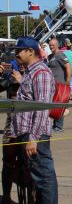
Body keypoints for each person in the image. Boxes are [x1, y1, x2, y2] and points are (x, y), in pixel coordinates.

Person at [10, 36, 58, 203]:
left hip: (35, 135)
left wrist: (33, 138)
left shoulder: (41, 73)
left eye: (18, 52)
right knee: (36, 178)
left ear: (30, 52)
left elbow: (42, 108)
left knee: (44, 177)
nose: (16, 55)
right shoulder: (31, 72)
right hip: (27, 134)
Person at [1, 55, 23, 203]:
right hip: (11, 124)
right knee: (7, 162)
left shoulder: (35, 75)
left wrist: (22, 81)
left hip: (29, 126)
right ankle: (7, 197)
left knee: (30, 164)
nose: (20, 65)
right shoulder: (11, 77)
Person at [47, 39, 71, 133]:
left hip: (60, 84)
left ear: (57, 45)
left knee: (59, 105)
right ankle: (55, 125)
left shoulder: (60, 55)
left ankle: (59, 127)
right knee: (54, 106)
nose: (51, 46)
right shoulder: (51, 56)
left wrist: (68, 81)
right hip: (53, 85)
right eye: (50, 45)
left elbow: (68, 67)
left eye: (53, 45)